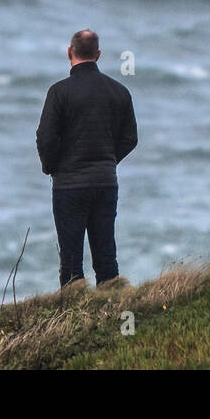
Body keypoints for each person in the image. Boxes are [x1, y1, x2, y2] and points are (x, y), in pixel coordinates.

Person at [35, 29, 138, 287]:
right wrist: (107, 161)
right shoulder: (119, 91)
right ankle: (113, 312)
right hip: (105, 183)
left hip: (69, 186)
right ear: (99, 55)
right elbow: (130, 138)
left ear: (69, 53)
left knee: (70, 262)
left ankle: (73, 319)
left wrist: (51, 167)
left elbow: (46, 138)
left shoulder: (59, 92)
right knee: (106, 257)